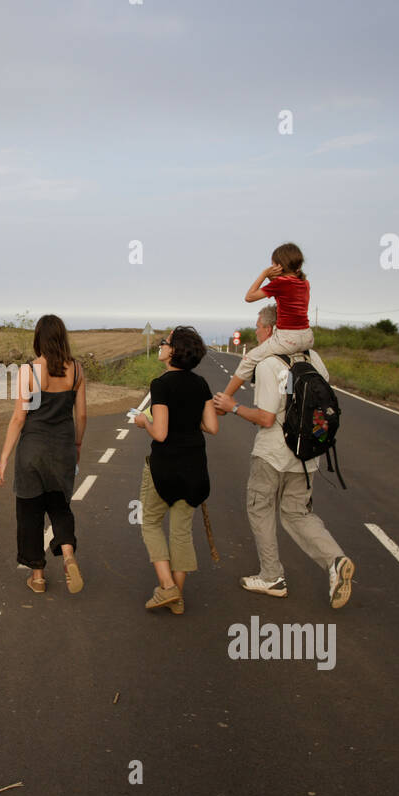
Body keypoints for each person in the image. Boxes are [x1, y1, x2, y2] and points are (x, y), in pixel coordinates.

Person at [213, 304, 354, 608]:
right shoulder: (313, 358)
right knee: (298, 513)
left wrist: (232, 407)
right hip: (307, 454)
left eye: (259, 327)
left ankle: (272, 576)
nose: (257, 332)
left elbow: (265, 418)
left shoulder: (267, 365)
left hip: (272, 453)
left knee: (260, 508)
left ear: (273, 330)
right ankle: (335, 560)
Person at [0, 314, 87, 593]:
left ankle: (37, 577)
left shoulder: (29, 371)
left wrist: (4, 458)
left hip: (32, 450)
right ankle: (68, 554)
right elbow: (81, 414)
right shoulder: (78, 371)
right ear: (62, 337)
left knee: (30, 512)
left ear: (39, 338)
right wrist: (77, 445)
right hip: (62, 449)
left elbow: (18, 419)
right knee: (60, 507)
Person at [132, 326, 219, 615]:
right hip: (195, 468)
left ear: (174, 351)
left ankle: (167, 587)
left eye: (165, 342)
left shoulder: (162, 384)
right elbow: (212, 427)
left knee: (151, 523)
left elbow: (160, 432)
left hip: (165, 468)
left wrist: (143, 422)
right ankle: (177, 599)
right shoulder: (201, 384)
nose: (161, 345)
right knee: (181, 533)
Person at [219, 242, 314, 400]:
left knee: (249, 359)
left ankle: (226, 398)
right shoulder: (304, 283)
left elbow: (249, 297)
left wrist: (263, 274)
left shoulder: (280, 284)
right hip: (308, 337)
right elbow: (284, 294)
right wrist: (273, 279)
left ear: (279, 265)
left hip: (288, 339)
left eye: (272, 265)